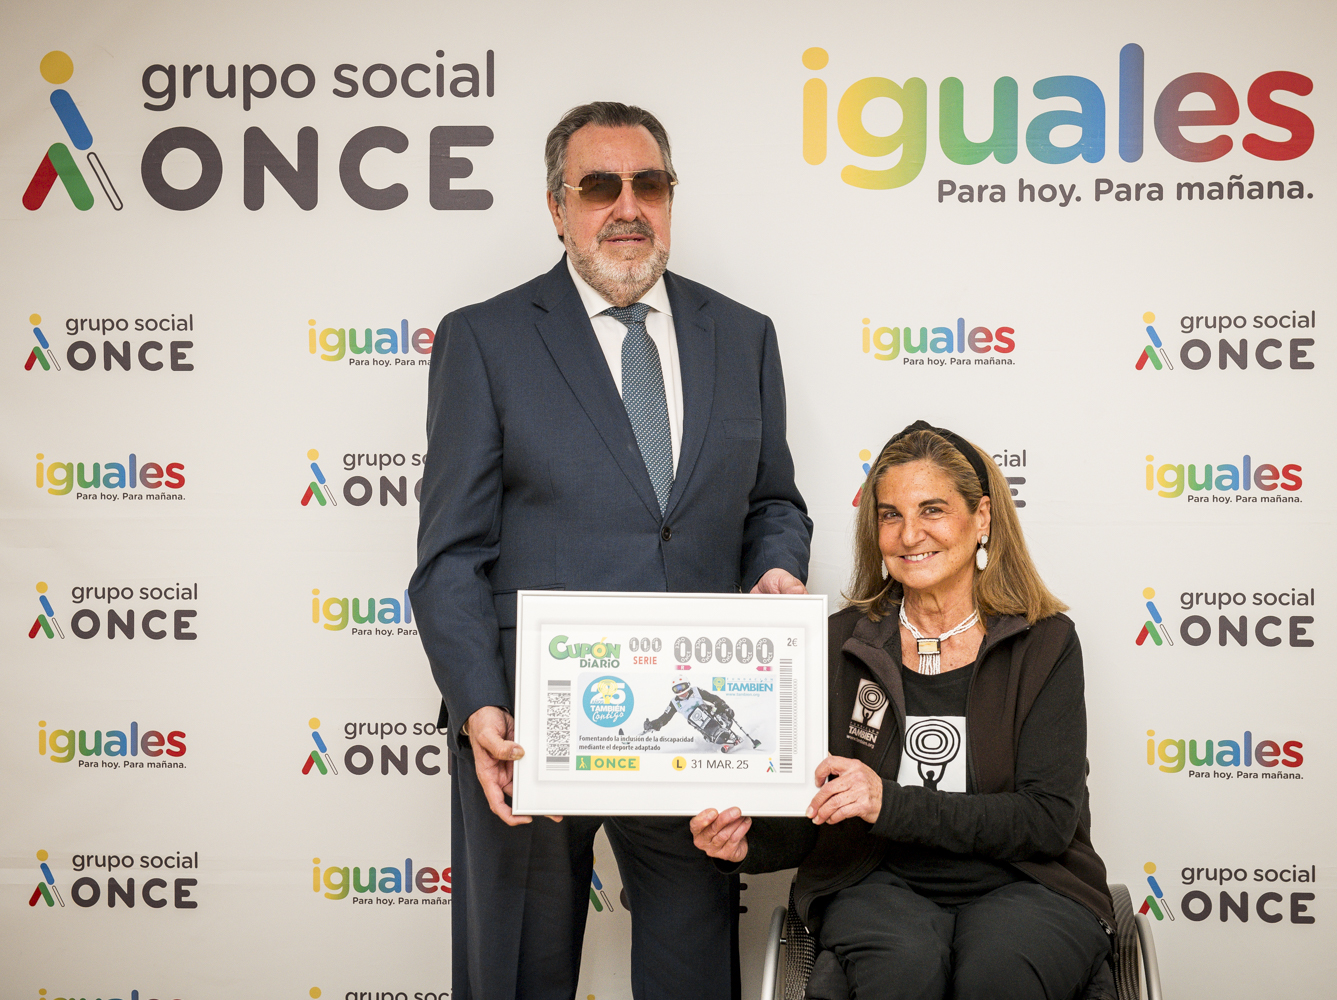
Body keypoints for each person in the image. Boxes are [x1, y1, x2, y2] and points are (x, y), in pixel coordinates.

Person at [409, 101, 813, 1000]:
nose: (628, 207)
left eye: (649, 184)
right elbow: (450, 556)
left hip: (693, 725)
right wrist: (478, 705)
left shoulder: (742, 335)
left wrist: (776, 566)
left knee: (693, 974)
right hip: (532, 726)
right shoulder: (486, 338)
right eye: (599, 186)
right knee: (517, 973)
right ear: (558, 208)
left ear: (670, 198)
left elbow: (774, 501)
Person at [691, 421, 1115, 1000]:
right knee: (902, 973)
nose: (910, 534)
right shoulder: (838, 641)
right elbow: (813, 812)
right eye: (890, 515)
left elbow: (1046, 821)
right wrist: (745, 845)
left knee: (999, 975)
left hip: (1030, 882)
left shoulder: (1046, 642)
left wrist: (887, 802)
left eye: (932, 510)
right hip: (874, 880)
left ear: (982, 517)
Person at [643, 680, 754, 752]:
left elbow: (713, 698)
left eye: (682, 687)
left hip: (710, 713)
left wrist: (725, 707)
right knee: (697, 717)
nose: (681, 691)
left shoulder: (696, 691)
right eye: (677, 689)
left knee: (712, 708)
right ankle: (719, 736)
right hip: (699, 723)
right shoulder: (674, 703)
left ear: (687, 685)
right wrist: (653, 725)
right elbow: (665, 718)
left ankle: (726, 729)